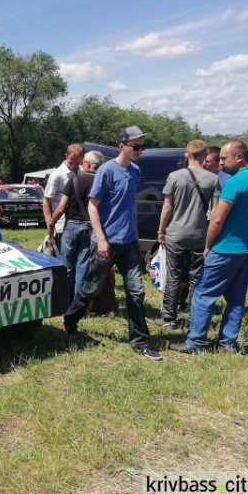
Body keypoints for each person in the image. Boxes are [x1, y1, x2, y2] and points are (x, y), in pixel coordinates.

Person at [63, 126, 163, 361]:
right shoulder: (106, 171)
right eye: (136, 146)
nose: (140, 150)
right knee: (91, 287)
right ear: (122, 147)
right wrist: (101, 240)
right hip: (106, 242)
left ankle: (140, 341)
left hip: (129, 243)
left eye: (142, 146)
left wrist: (136, 235)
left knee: (136, 291)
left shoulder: (136, 171)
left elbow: (129, 207)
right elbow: (93, 206)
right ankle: (71, 317)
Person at [170, 140, 248, 354]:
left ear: (239, 157)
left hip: (225, 248)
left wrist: (207, 246)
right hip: (247, 248)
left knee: (203, 294)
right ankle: (227, 343)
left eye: (224, 159)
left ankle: (195, 342)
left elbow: (216, 219)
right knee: (235, 298)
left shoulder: (234, 182)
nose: (221, 163)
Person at [154, 140, 218, 329]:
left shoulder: (174, 176)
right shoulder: (213, 179)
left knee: (174, 276)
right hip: (199, 235)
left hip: (176, 234)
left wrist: (161, 230)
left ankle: (168, 318)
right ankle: (194, 318)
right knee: (196, 279)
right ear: (205, 155)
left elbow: (167, 206)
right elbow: (214, 212)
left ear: (186, 154)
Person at [47, 150, 104, 304]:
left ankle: (64, 302)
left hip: (71, 226)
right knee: (82, 267)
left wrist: (51, 224)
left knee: (67, 266)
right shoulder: (102, 183)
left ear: (87, 164)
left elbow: (60, 208)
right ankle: (76, 305)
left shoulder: (73, 182)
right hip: (90, 228)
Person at [44, 143, 84, 247]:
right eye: (71, 162)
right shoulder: (57, 175)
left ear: (82, 159)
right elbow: (46, 201)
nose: (74, 166)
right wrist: (50, 224)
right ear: (66, 156)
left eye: (77, 163)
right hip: (61, 225)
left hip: (80, 223)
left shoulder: (82, 172)